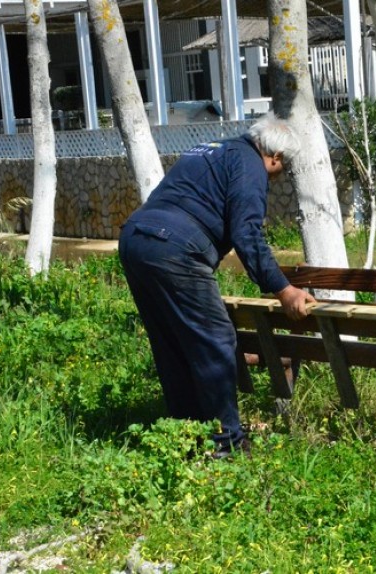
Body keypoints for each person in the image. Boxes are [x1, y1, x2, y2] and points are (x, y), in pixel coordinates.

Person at [118, 114, 315, 458]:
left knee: (171, 343)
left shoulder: (211, 149)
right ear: (275, 157)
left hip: (136, 239)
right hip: (174, 249)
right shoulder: (250, 166)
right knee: (216, 340)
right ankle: (227, 444)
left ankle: (186, 435)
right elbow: (247, 233)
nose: (279, 174)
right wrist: (283, 289)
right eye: (282, 167)